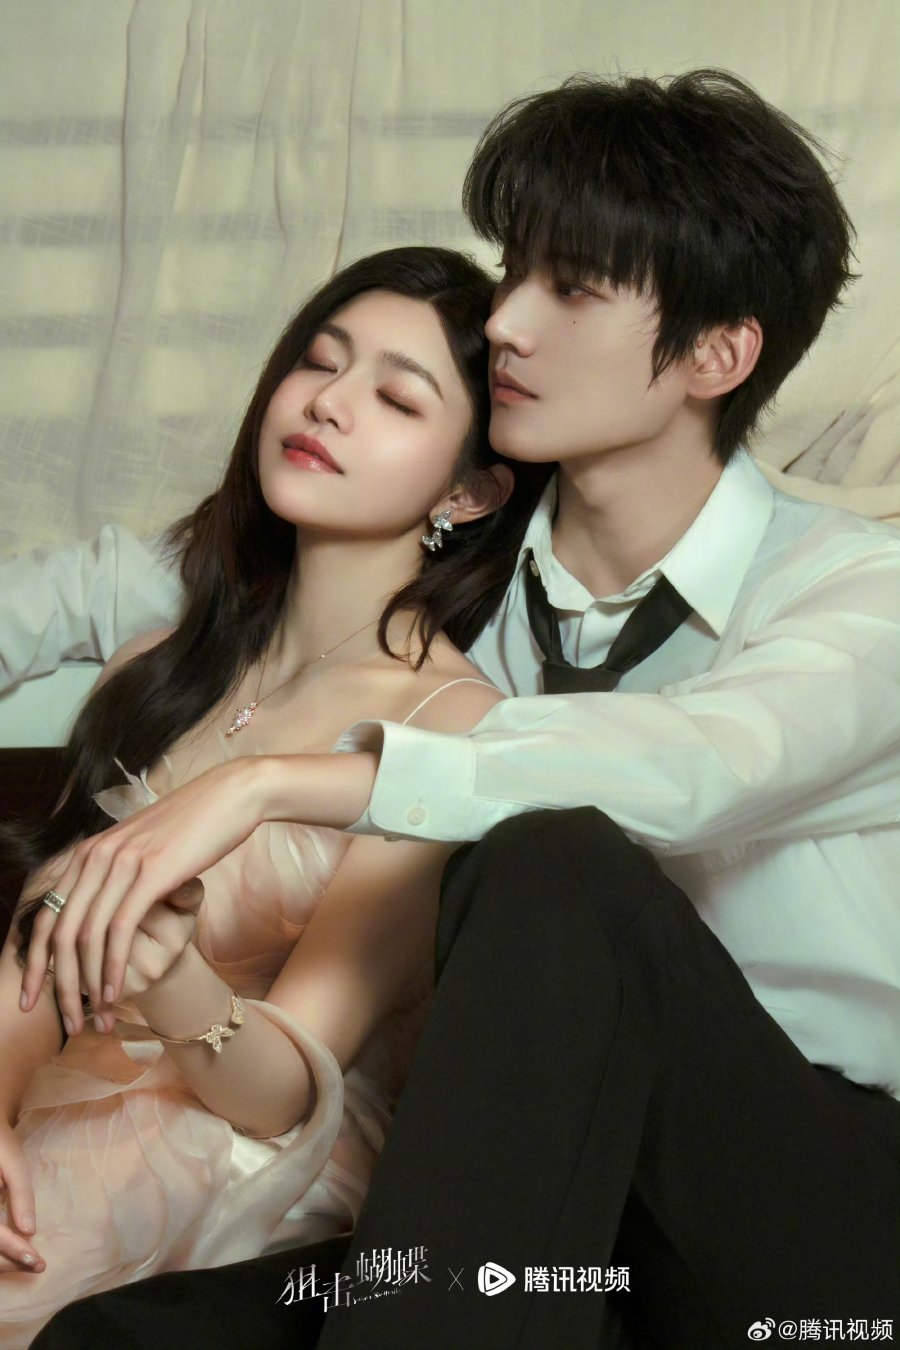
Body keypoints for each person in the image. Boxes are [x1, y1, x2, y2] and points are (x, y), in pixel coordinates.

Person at [11, 69, 900, 1348]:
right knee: (111, 1336)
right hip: (539, 1220)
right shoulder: (448, 577)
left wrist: (267, 784)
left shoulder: (854, 593)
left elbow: (703, 764)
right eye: (513, 270)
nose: (509, 323)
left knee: (554, 859)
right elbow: (180, 576)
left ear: (719, 354)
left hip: (800, 1212)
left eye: (569, 288)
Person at [0, 244, 554, 1346]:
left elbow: (291, 1094)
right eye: (319, 360)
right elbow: (35, 959)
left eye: (397, 397)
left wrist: (171, 975)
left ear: (468, 491)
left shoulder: (450, 728)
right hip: (55, 1110)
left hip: (238, 1172)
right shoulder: (157, 668)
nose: (329, 403)